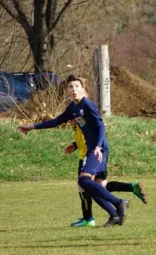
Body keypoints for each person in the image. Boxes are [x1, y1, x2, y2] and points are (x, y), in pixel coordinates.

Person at [18, 75, 129, 227]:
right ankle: (114, 213)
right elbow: (56, 121)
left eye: (77, 86)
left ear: (83, 90)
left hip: (99, 148)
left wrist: (97, 146)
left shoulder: (87, 104)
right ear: (67, 91)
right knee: (91, 184)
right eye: (71, 87)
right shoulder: (73, 107)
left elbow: (101, 126)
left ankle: (118, 203)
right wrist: (32, 127)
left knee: (84, 180)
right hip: (93, 148)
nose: (74, 89)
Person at [65, 119, 148, 227]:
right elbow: (88, 134)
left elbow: (97, 129)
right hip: (97, 152)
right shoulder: (78, 122)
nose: (67, 120)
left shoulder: (82, 117)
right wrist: (76, 144)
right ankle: (131, 187)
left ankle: (91, 218)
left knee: (87, 185)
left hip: (92, 154)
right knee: (100, 184)